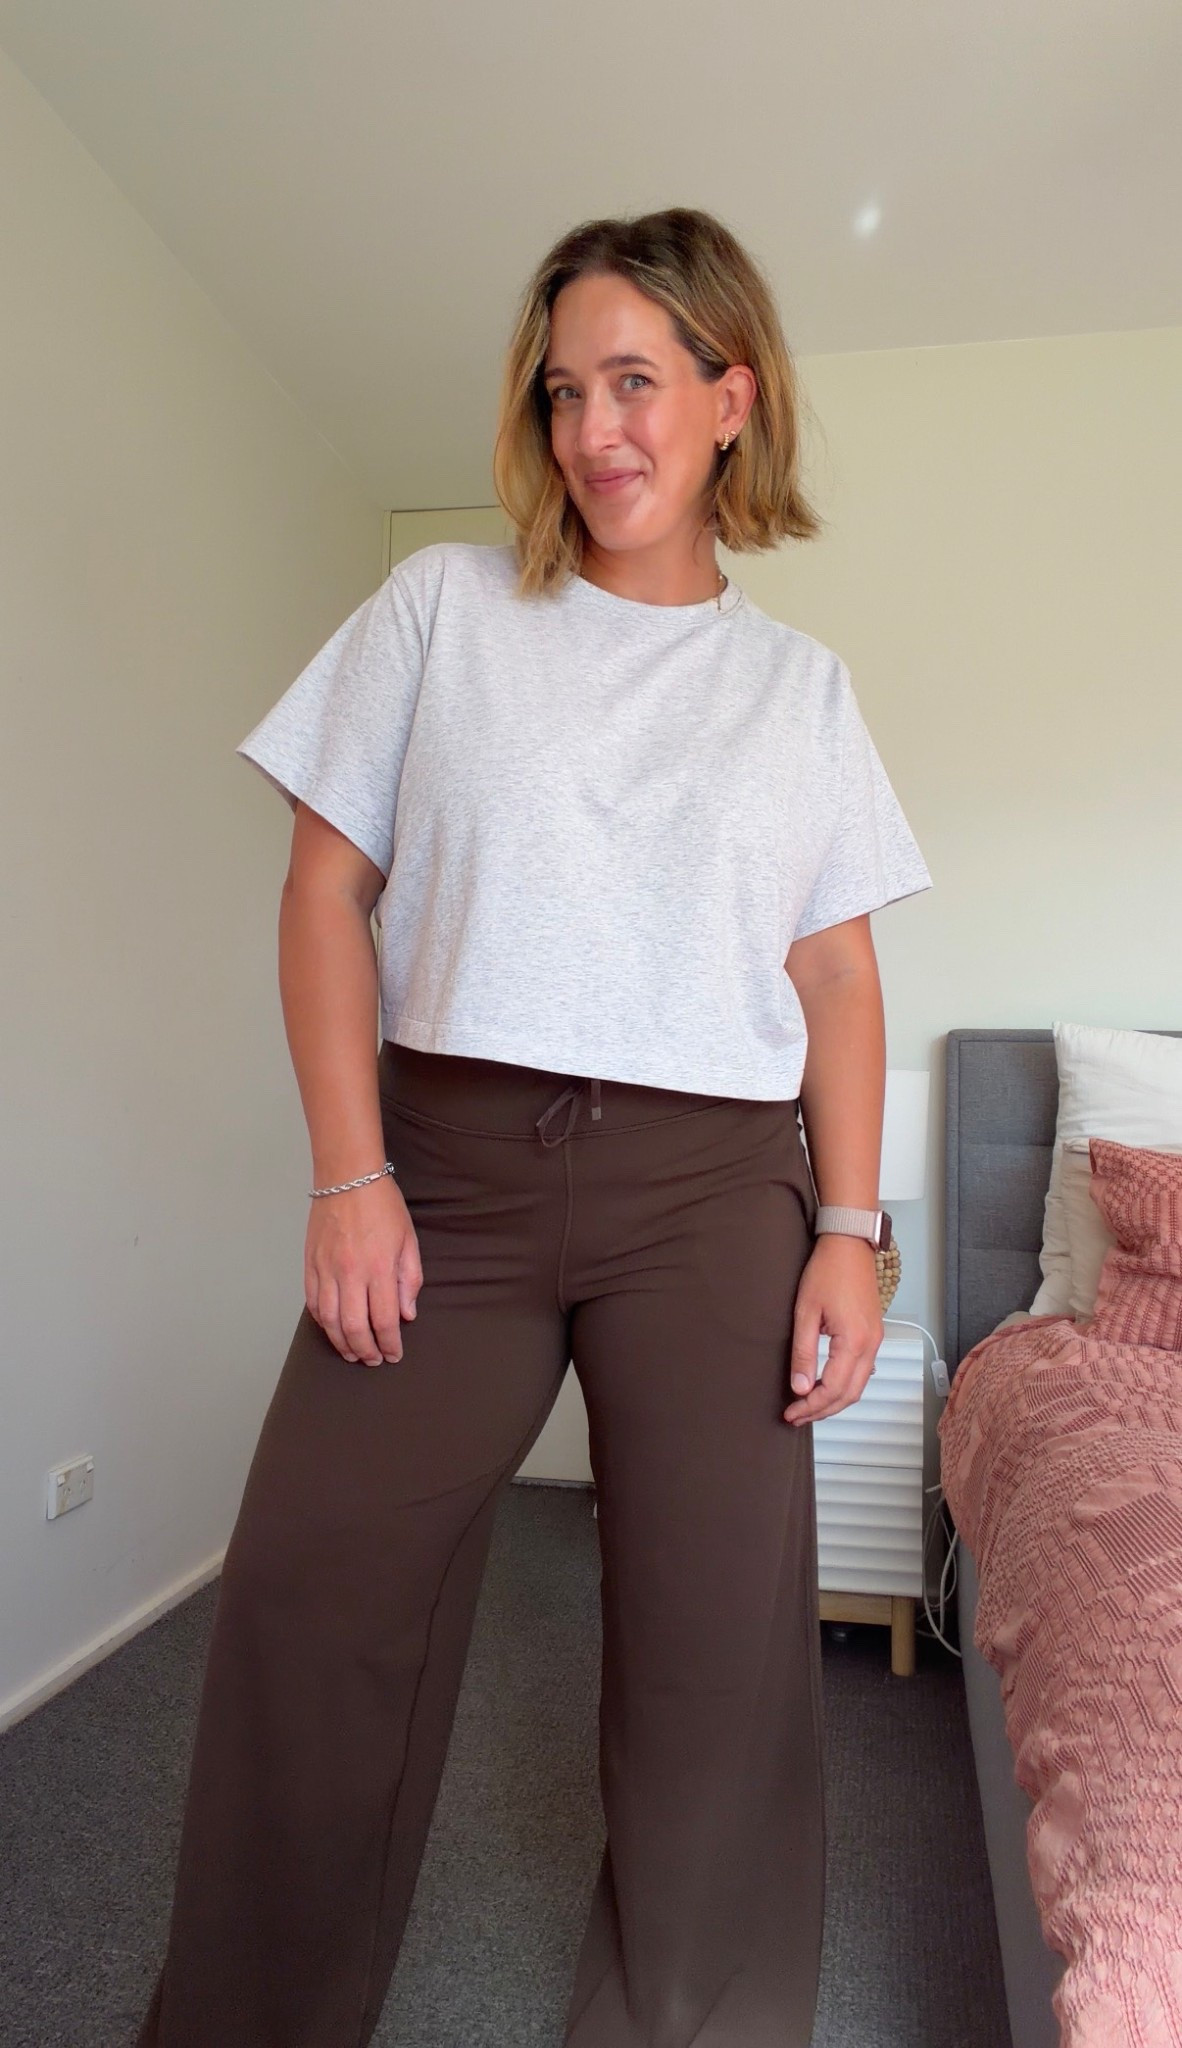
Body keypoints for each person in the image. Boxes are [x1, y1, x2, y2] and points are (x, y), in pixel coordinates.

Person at [135, 205, 931, 2048]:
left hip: (711, 1194)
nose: (594, 431)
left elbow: (835, 976)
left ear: (730, 399)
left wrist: (849, 1230)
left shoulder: (797, 691)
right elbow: (323, 893)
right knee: (313, 1602)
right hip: (447, 1173)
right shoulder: (441, 610)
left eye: (634, 383)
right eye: (564, 391)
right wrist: (349, 1174)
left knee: (715, 1660)